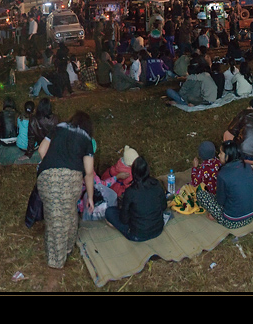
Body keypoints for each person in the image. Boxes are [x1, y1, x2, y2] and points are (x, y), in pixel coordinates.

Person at [36, 111, 96, 269]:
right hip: (71, 180)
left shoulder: (57, 129)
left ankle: (65, 248)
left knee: (55, 215)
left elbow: (41, 151)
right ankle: (57, 261)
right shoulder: (86, 139)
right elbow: (89, 172)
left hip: (46, 176)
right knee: (65, 215)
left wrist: (52, 165)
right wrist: (90, 197)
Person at [195, 140, 253, 229]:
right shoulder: (247, 166)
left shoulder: (223, 174)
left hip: (232, 221)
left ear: (228, 156)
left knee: (201, 194)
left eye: (221, 153)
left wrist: (214, 212)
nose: (218, 155)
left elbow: (220, 201)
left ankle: (215, 215)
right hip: (250, 216)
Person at [104, 156, 167, 242]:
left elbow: (124, 220)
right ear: (147, 170)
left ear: (133, 172)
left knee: (110, 212)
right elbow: (164, 206)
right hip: (158, 229)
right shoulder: (156, 184)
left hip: (137, 235)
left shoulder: (130, 192)